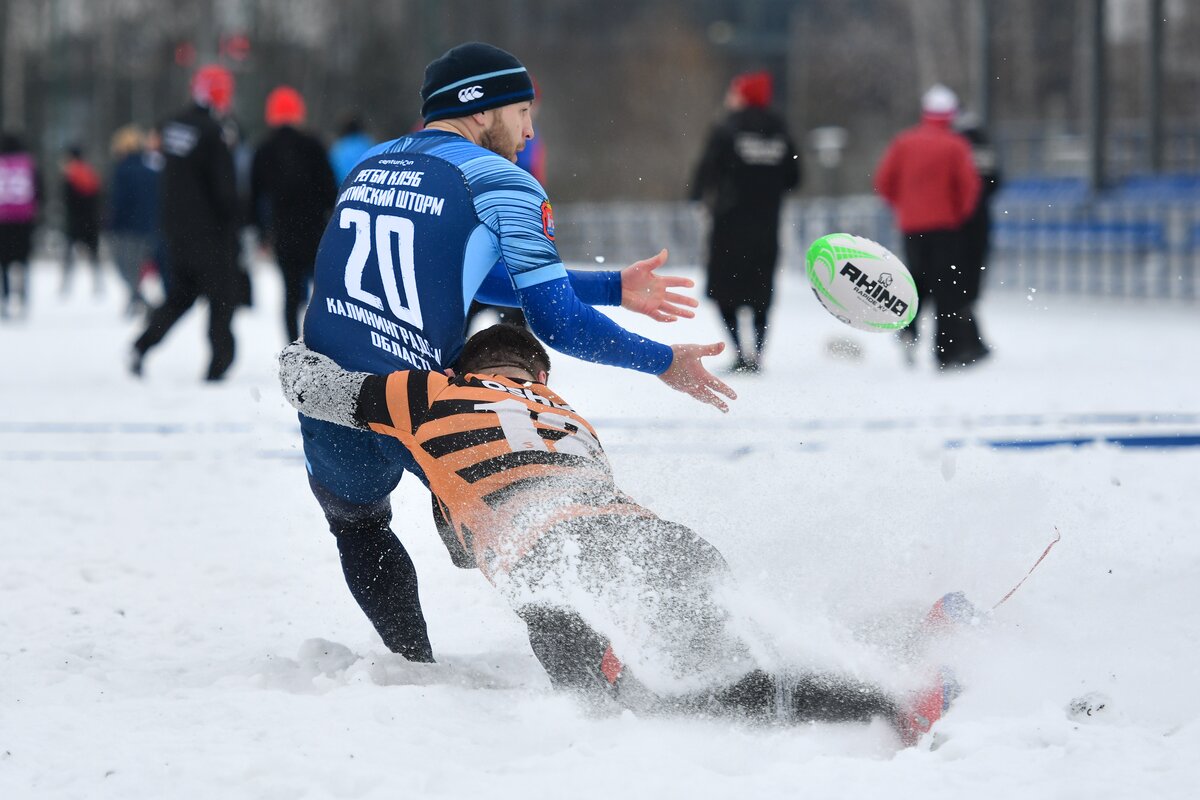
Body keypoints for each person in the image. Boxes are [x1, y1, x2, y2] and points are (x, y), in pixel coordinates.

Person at [279, 325, 946, 742]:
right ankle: (893, 650)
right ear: (538, 378)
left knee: (661, 699)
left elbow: (316, 389)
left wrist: (303, 343)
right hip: (657, 538)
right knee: (737, 642)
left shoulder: (428, 394)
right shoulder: (570, 418)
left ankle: (885, 704)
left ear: (465, 369)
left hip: (553, 562)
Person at [299, 41, 734, 665]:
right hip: (419, 399)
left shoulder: (373, 162)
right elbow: (555, 323)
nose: (530, 131)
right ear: (482, 109)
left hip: (328, 391)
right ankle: (596, 680)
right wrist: (662, 361)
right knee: (520, 531)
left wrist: (612, 286)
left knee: (360, 525)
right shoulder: (503, 182)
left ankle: (414, 666)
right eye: (524, 111)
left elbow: (457, 274)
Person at [130, 64, 241, 381]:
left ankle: (142, 344)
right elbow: (224, 191)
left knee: (181, 295)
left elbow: (160, 168)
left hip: (175, 230)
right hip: (210, 233)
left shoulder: (170, 125)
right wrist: (236, 222)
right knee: (222, 297)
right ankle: (218, 364)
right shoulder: (213, 133)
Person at [690, 71, 801, 374]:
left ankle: (740, 350)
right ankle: (759, 352)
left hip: (729, 225)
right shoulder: (779, 129)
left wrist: (699, 196)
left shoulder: (727, 127)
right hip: (766, 225)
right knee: (761, 290)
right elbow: (794, 177)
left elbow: (707, 169)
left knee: (725, 290)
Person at [874, 85, 985, 369]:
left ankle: (908, 329)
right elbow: (969, 187)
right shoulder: (956, 145)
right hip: (946, 227)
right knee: (947, 288)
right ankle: (945, 352)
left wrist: (904, 207)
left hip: (912, 225)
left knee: (916, 281)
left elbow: (884, 181)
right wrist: (958, 214)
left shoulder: (904, 142)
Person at [250, 86, 338, 343]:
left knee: (290, 293)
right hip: (314, 231)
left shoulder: (264, 149)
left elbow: (255, 196)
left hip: (283, 232)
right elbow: (330, 189)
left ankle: (292, 344)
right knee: (320, 292)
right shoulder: (313, 145)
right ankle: (323, 343)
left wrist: (260, 233)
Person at [955, 112, 1001, 357]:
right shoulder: (979, 142)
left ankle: (913, 332)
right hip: (977, 223)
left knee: (943, 283)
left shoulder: (951, 142)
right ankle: (968, 339)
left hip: (949, 224)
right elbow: (994, 182)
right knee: (968, 284)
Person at [107, 125, 160, 317]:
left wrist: (111, 222)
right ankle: (137, 301)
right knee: (136, 267)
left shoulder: (123, 170)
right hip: (147, 225)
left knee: (125, 267)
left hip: (126, 227)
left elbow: (119, 201)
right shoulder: (150, 168)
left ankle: (139, 300)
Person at [0, 132, 40, 320]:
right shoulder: (28, 163)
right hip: (24, 219)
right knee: (23, 261)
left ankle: (5, 299)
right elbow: (38, 190)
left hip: (3, 219)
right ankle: (24, 296)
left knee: (4, 263)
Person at [60, 145, 103, 296]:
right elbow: (98, 196)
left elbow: (67, 201)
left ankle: (65, 284)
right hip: (91, 220)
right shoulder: (90, 172)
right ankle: (99, 284)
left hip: (74, 221)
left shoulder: (70, 175)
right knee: (94, 255)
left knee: (69, 255)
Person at [329, 113, 375, 184]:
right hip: (368, 186)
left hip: (345, 188)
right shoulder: (369, 144)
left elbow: (334, 172)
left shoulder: (339, 148)